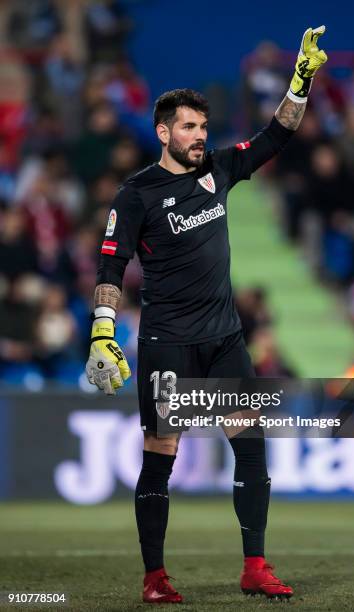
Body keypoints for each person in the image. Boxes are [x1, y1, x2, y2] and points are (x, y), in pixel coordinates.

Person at [86, 26, 327, 604]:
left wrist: (301, 79)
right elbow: (110, 269)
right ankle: (155, 577)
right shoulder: (136, 194)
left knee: (251, 442)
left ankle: (256, 565)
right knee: (161, 454)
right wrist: (102, 332)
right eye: (188, 128)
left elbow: (277, 134)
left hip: (224, 339)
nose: (199, 136)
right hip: (169, 343)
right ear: (163, 132)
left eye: (203, 126)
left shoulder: (218, 170)